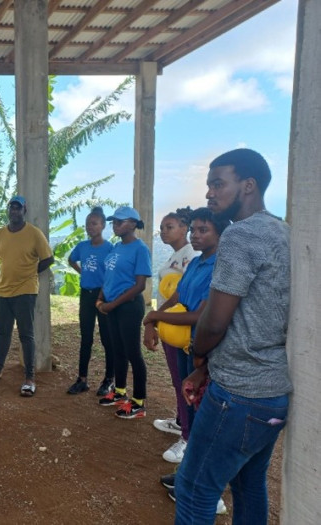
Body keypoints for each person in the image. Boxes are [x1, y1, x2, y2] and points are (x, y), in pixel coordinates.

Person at [175, 148, 291, 524]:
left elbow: (214, 321)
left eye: (218, 184)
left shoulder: (240, 236)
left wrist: (198, 353)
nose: (209, 193)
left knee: (194, 488)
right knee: (248, 484)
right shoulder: (282, 230)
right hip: (271, 393)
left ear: (248, 185)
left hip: (238, 395)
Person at [142, 207, 230, 514]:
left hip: (204, 351)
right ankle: (187, 478)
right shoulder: (196, 262)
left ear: (220, 232)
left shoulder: (219, 266)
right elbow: (179, 296)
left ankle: (212, 495)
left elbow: (201, 313)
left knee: (206, 416)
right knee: (190, 408)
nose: (196, 235)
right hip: (185, 346)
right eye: (194, 229)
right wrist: (153, 319)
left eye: (203, 230)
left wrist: (155, 315)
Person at [0, 195, 54, 397]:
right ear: (8, 210)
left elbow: (48, 258)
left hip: (25, 291)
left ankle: (29, 378)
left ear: (24, 210)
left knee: (26, 335)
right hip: (2, 291)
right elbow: (0, 258)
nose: (14, 211)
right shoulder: (0, 233)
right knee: (2, 333)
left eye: (18, 208)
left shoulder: (34, 234)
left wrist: (31, 272)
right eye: (11, 208)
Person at [151, 207, 198, 462]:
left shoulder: (191, 255)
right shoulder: (176, 256)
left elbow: (182, 295)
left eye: (169, 227)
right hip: (171, 325)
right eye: (162, 228)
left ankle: (188, 438)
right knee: (176, 377)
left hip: (182, 327)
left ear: (184, 228)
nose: (163, 232)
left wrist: (155, 317)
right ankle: (181, 421)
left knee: (184, 380)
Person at [96, 206, 151, 419]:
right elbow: (108, 277)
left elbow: (139, 286)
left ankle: (138, 402)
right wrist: (102, 298)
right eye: (114, 222)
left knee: (132, 353)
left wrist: (112, 304)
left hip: (128, 306)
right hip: (111, 304)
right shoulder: (116, 248)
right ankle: (119, 392)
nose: (115, 225)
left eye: (120, 221)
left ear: (133, 224)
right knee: (117, 350)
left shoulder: (140, 249)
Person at [65, 206, 115, 396]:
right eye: (88, 224)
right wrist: (83, 273)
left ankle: (109, 379)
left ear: (103, 225)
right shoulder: (82, 246)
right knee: (86, 338)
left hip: (103, 296)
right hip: (86, 295)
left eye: (94, 223)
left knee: (106, 338)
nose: (90, 227)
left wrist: (104, 290)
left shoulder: (109, 248)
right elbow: (71, 260)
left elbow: (112, 272)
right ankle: (82, 379)